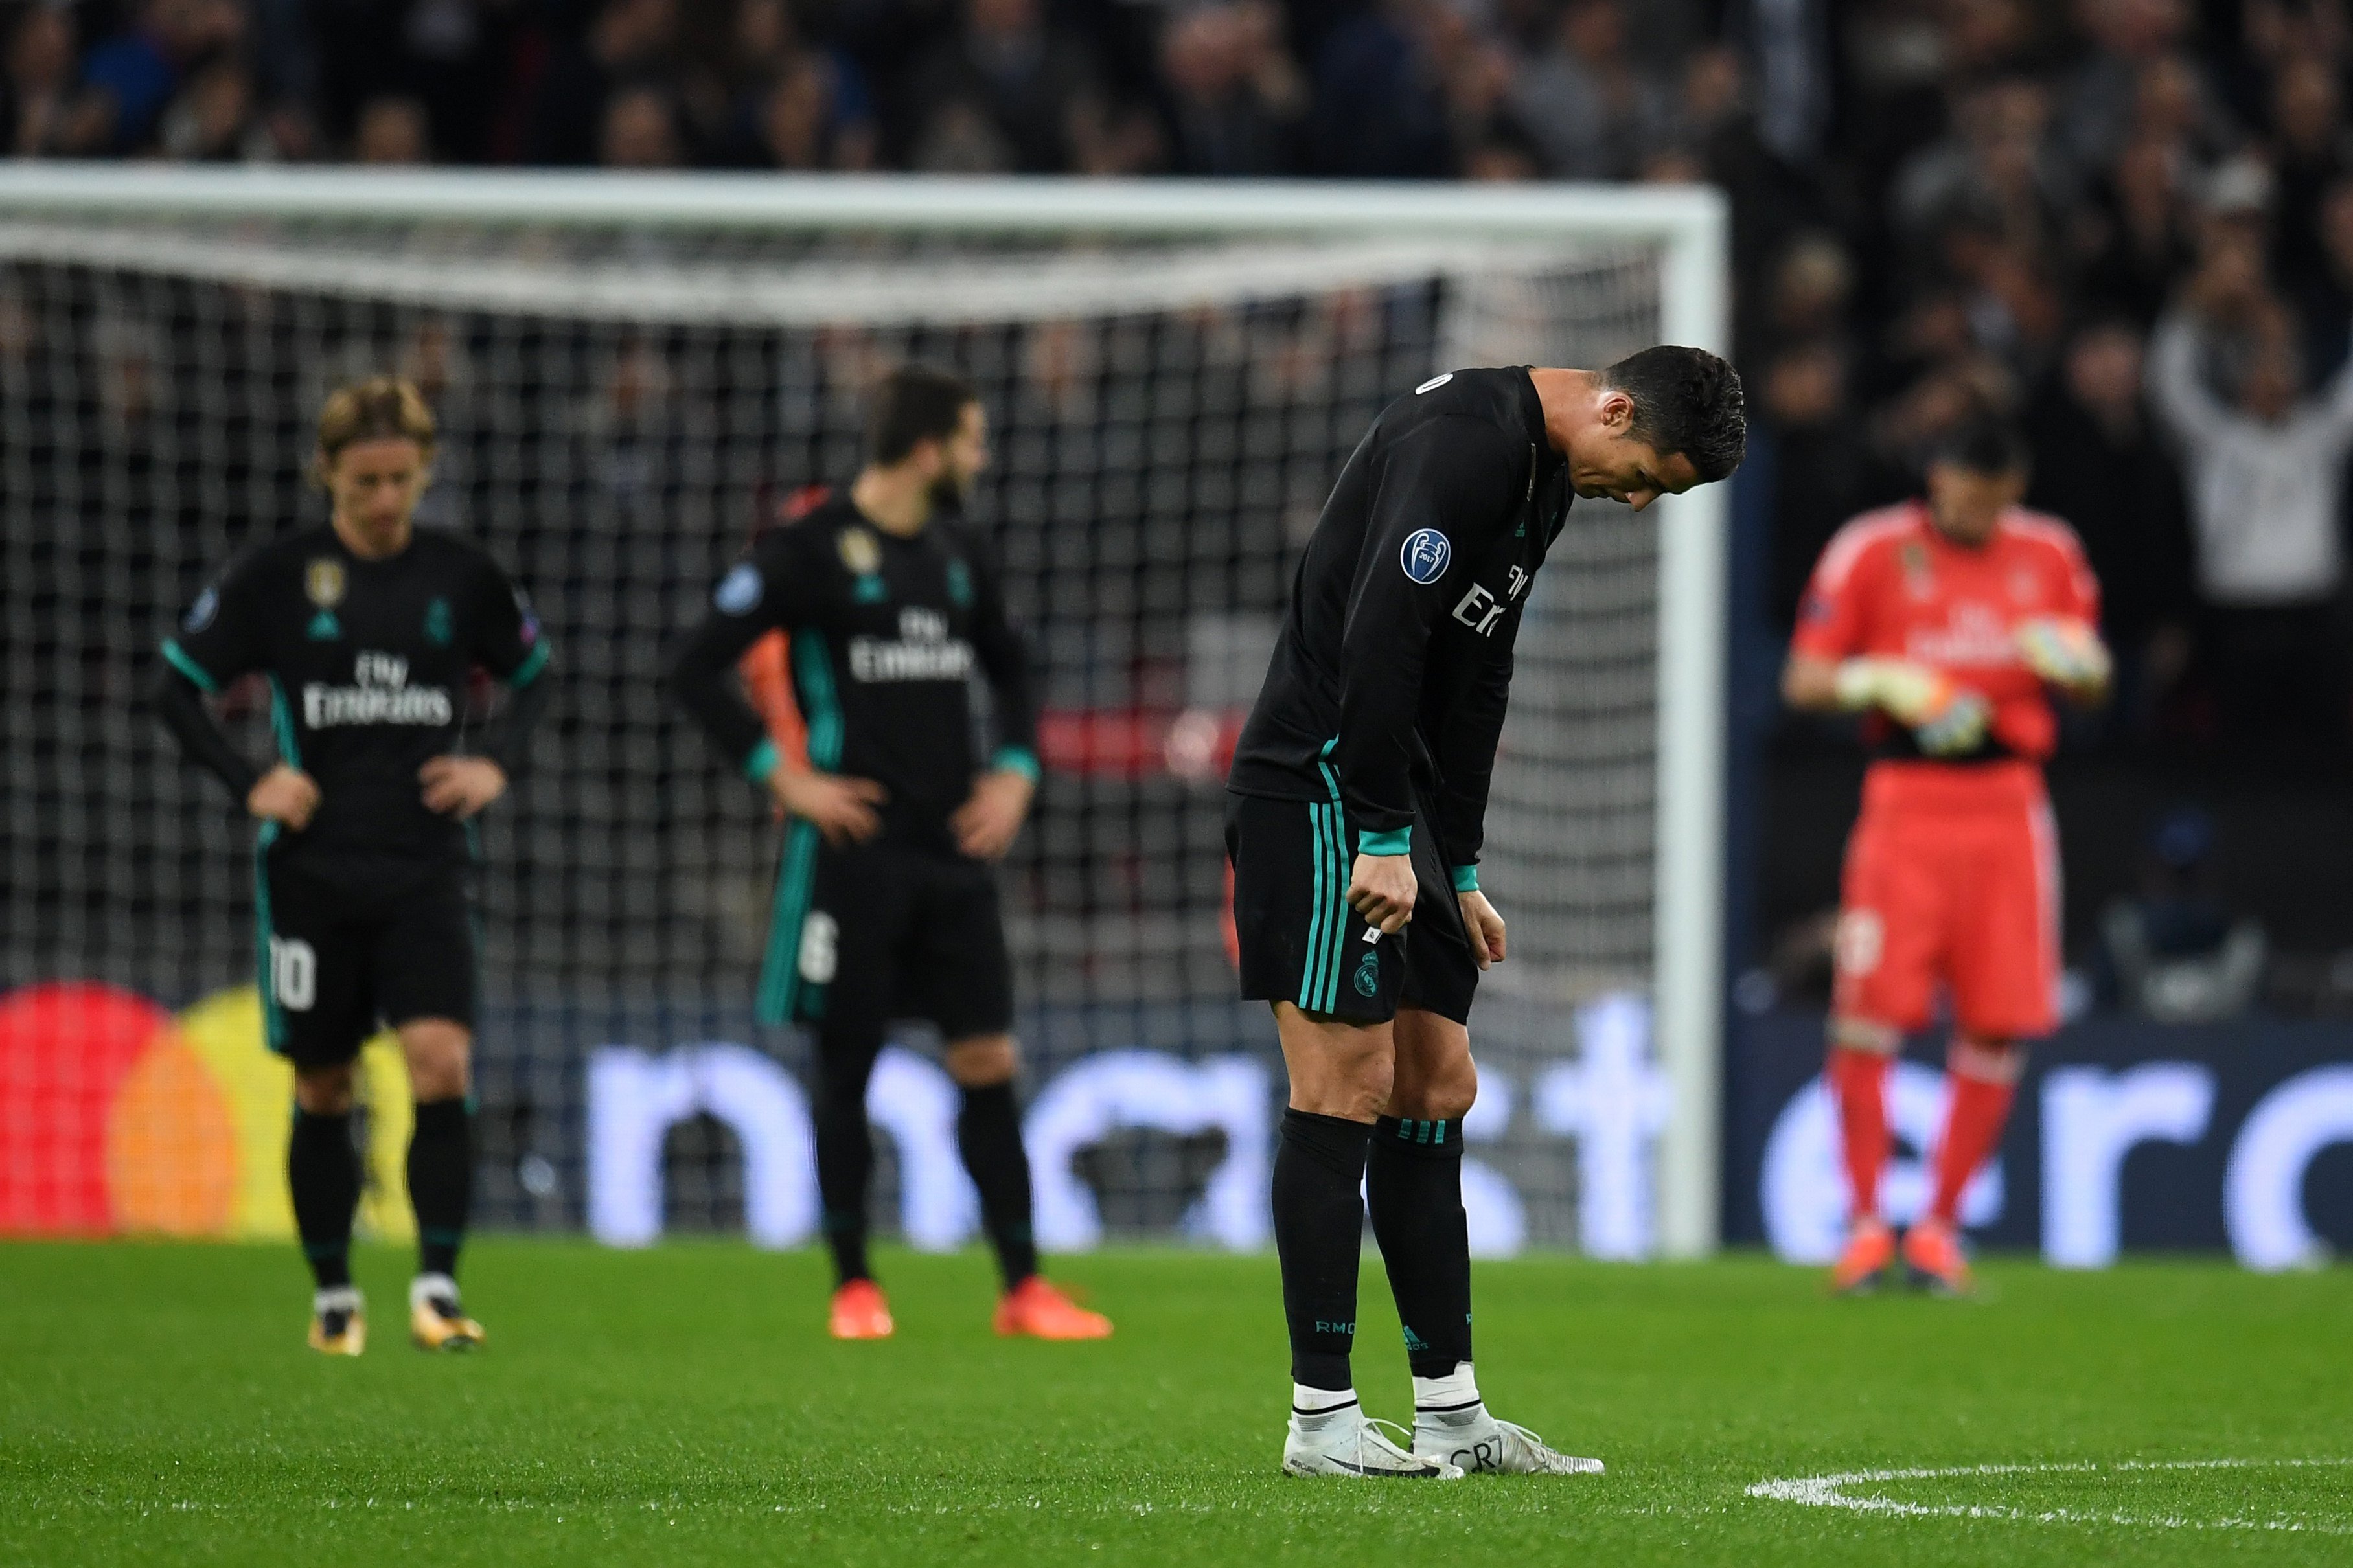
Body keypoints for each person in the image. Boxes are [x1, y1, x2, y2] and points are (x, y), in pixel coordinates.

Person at [1226, 347, 1745, 1478]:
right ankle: (1321, 1419)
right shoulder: (1461, 441)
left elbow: (1480, 671)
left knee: (1437, 1081)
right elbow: (1380, 635)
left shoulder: (1546, 474)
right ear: (1614, 408)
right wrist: (1375, 830)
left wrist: (1455, 861)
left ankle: (1452, 1411)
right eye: (1648, 472)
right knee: (1345, 1083)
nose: (1642, 499)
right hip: (1320, 782)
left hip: (1400, 806)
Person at [667, 363, 1109, 1343]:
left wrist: (1017, 769)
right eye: (972, 438)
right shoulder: (811, 549)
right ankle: (854, 1284)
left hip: (954, 849)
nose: (981, 457)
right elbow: (694, 664)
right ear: (927, 448)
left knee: (989, 1056)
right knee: (846, 1064)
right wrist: (784, 779)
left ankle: (1023, 1286)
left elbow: (1013, 663)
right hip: (852, 852)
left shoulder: (959, 551)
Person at [155, 376, 554, 1354]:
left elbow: (537, 678)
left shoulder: (462, 575)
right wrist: (251, 780)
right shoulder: (280, 576)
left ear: (426, 473)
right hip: (311, 871)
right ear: (326, 472)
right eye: (366, 480)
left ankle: (438, 1288)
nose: (385, 500)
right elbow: (176, 686)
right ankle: (335, 1294)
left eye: (402, 479)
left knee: (440, 1061)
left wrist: (494, 761)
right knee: (324, 1084)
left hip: (425, 865)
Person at [1782, 421, 2108, 1297]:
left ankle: (1937, 1231)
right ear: (1939, 475)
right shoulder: (1874, 549)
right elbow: (1804, 678)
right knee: (1867, 1015)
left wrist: (2081, 666)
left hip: (2009, 805)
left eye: (1995, 499)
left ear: (2016, 487)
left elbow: (2092, 676)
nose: (1977, 511)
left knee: (1997, 1021)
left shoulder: (2050, 552)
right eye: (1966, 492)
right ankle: (1860, 1228)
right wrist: (1880, 678)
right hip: (1905, 803)